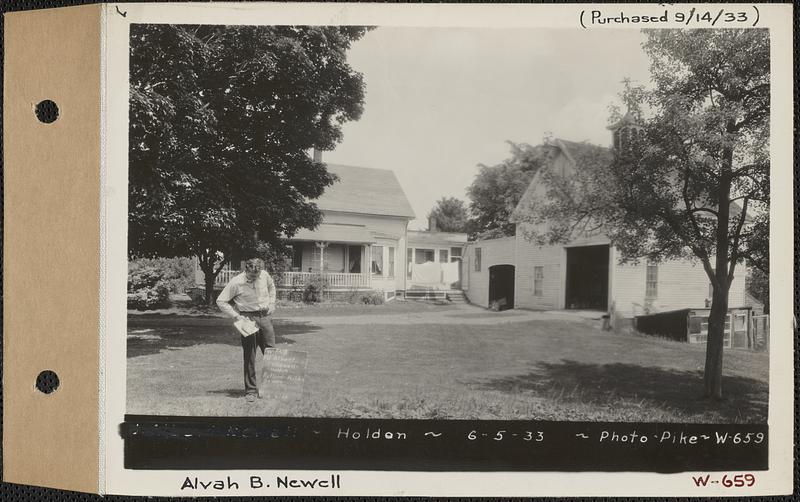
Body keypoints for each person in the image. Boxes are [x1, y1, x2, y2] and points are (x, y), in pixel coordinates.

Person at [216, 257, 277, 402]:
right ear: (246, 270)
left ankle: (274, 389)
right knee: (250, 356)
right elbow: (221, 301)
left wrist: (272, 303)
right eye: (252, 275)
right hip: (247, 320)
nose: (255, 278)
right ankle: (250, 391)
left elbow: (272, 287)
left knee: (272, 354)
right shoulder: (236, 282)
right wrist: (236, 316)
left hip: (265, 318)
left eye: (257, 275)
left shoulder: (265, 275)